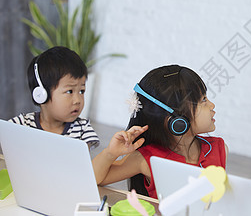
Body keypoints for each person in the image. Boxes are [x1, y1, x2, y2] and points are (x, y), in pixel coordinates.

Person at [92, 64, 228, 199]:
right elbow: (92, 179)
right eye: (203, 100)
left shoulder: (219, 149)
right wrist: (110, 153)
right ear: (177, 120)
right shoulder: (147, 159)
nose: (212, 105)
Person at [9, 46, 99, 149]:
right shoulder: (20, 125)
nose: (78, 100)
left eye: (81, 91)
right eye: (69, 91)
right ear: (41, 94)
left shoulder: (83, 129)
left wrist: (109, 153)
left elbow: (83, 164)